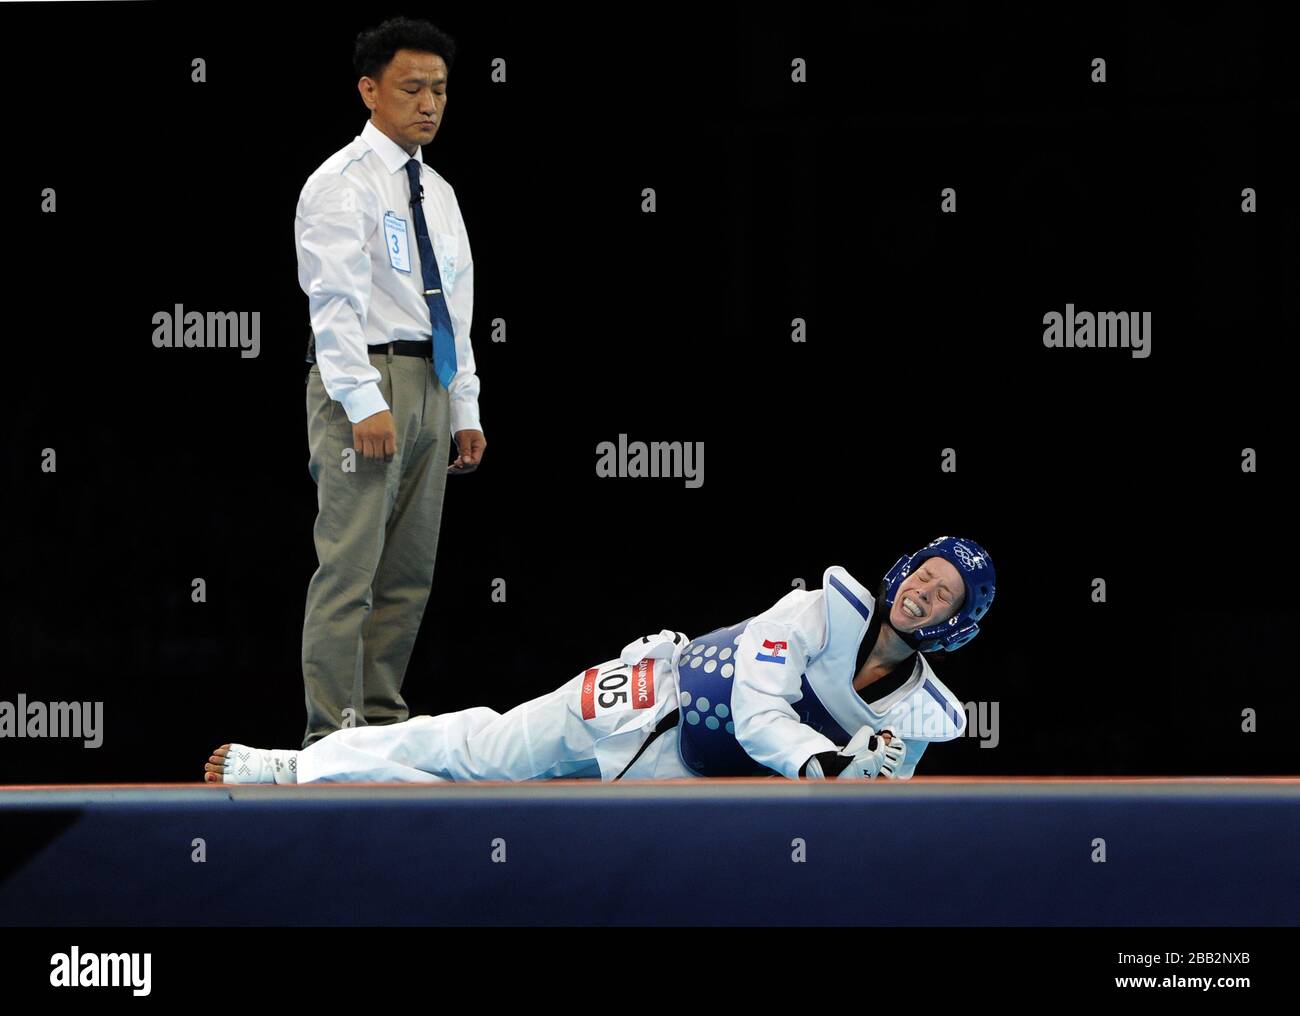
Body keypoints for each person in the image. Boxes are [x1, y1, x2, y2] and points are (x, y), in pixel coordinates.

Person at [205, 537, 996, 784]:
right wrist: (825, 765)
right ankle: (289, 769)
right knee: (476, 752)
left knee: (491, 818)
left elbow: (868, 809)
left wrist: (858, 781)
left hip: (683, 784)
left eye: (945, 594)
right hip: (644, 693)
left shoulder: (916, 719)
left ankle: (325, 784)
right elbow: (760, 716)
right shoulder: (817, 609)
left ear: (955, 624)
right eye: (925, 574)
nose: (925, 591)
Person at [294, 17, 485, 749]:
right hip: (367, 378)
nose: (429, 102)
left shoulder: (438, 191)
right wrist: (360, 397)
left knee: (408, 573)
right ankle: (329, 734)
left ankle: (378, 726)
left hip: (430, 379)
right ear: (369, 90)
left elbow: (457, 308)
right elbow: (332, 300)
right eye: (411, 88)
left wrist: (464, 402)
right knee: (350, 569)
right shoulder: (340, 183)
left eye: (439, 89)